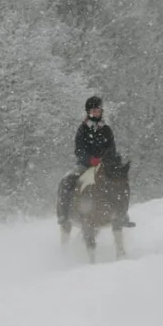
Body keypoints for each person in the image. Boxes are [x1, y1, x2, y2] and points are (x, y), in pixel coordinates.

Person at [57, 97, 135, 231]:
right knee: (67, 181)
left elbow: (112, 149)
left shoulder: (107, 130)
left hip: (104, 165)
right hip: (85, 165)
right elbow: (79, 150)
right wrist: (90, 160)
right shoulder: (82, 130)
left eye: (98, 110)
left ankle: (122, 214)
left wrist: (106, 160)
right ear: (88, 112)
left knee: (119, 183)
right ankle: (63, 214)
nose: (96, 113)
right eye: (93, 110)